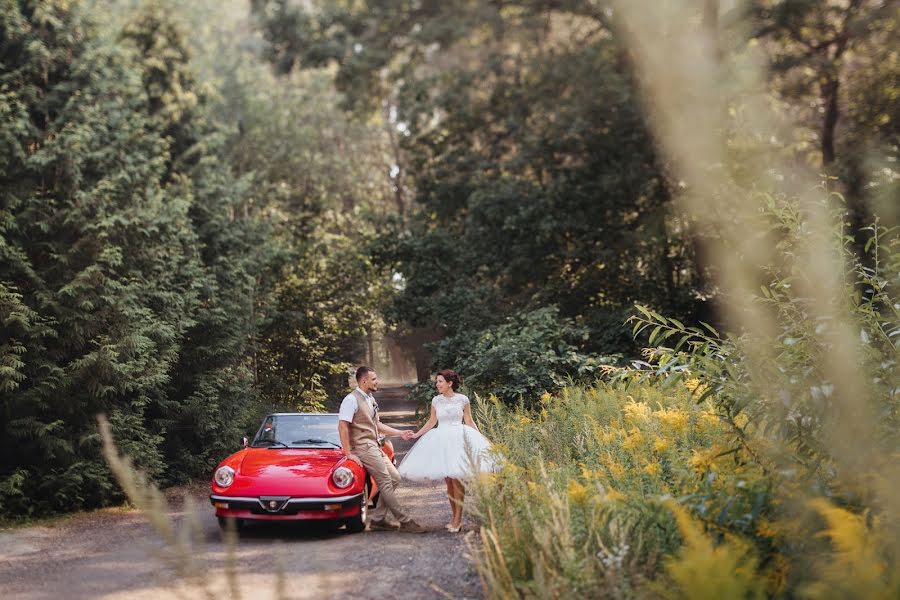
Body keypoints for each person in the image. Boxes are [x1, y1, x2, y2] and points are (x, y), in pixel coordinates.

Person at [398, 369, 496, 532]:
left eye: (440, 382)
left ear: (450, 383)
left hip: (460, 438)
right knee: (449, 481)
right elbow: (431, 422)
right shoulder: (436, 400)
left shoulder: (463, 399)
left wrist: (481, 439)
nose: (437, 384)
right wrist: (416, 435)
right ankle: (454, 517)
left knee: (457, 478)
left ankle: (458, 520)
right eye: (437, 382)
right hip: (442, 439)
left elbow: (469, 420)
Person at [338, 366, 426, 533]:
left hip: (374, 445)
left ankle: (378, 519)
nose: (377, 381)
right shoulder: (350, 400)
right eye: (374, 379)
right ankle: (405, 521)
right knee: (385, 481)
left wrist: (400, 433)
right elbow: (343, 426)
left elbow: (376, 425)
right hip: (363, 447)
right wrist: (348, 452)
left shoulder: (370, 398)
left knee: (395, 478)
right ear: (364, 381)